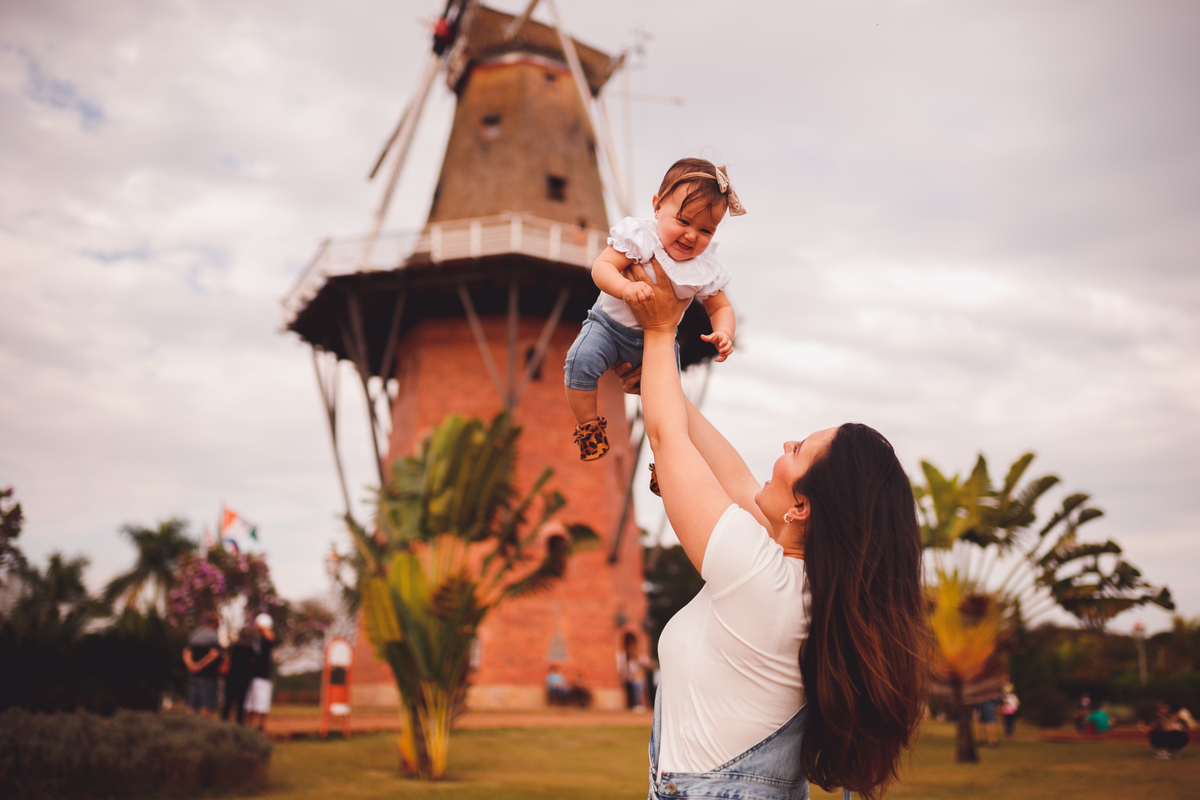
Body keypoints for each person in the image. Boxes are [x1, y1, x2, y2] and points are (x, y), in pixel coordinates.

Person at [617, 260, 927, 800]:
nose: (786, 445)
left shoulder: (758, 578)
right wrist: (656, 382)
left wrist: (661, 331)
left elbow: (667, 443)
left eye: (799, 450)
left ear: (802, 507)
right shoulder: (805, 586)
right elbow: (736, 479)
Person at [564, 157, 741, 475]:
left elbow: (720, 306)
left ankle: (669, 465)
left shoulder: (705, 266)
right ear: (657, 206)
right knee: (580, 361)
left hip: (657, 342)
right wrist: (623, 289)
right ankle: (589, 427)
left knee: (670, 405)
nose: (691, 236)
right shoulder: (640, 237)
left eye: (705, 230)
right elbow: (602, 267)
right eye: (683, 221)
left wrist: (724, 333)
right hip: (607, 325)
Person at [182, 615, 222, 718]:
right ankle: (203, 731)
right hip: (207, 676)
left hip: (193, 675)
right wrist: (199, 665)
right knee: (205, 705)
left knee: (191, 704)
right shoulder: (213, 636)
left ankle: (188, 728)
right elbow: (214, 654)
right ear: (214, 623)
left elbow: (187, 651)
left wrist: (191, 665)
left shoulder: (196, 633)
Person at [243, 613, 276, 732]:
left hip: (263, 676)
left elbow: (271, 637)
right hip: (252, 675)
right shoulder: (256, 639)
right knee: (249, 704)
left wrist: (263, 626)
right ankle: (247, 726)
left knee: (262, 704)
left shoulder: (267, 639)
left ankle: (261, 727)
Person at [221, 627, 255, 725]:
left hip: (231, 677)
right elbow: (252, 664)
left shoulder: (233, 647)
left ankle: (224, 721)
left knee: (228, 701)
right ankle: (239, 723)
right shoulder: (250, 649)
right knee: (241, 702)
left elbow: (226, 658)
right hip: (244, 679)